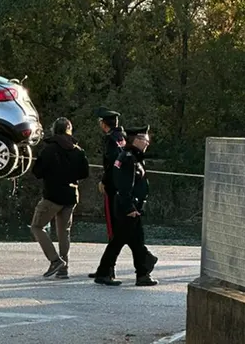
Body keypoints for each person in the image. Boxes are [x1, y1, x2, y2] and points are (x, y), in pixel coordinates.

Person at [92, 126, 159, 287]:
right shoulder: (128, 158)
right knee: (121, 241)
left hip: (131, 207)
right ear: (136, 140)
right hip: (128, 208)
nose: (147, 143)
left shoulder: (132, 157)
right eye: (144, 140)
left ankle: (142, 273)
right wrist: (129, 208)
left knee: (134, 241)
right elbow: (124, 186)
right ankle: (107, 272)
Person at [31, 117, 89, 279]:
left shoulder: (49, 150)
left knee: (37, 226)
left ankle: (55, 260)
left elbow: (37, 172)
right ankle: (64, 268)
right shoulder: (78, 150)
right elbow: (84, 173)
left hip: (52, 196)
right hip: (71, 196)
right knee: (64, 232)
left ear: (54, 130)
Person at [87, 107, 126, 280]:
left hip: (113, 189)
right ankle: (105, 267)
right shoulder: (122, 138)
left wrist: (104, 181)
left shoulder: (111, 140)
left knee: (113, 229)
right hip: (121, 188)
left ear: (104, 124)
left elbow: (111, 164)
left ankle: (108, 269)